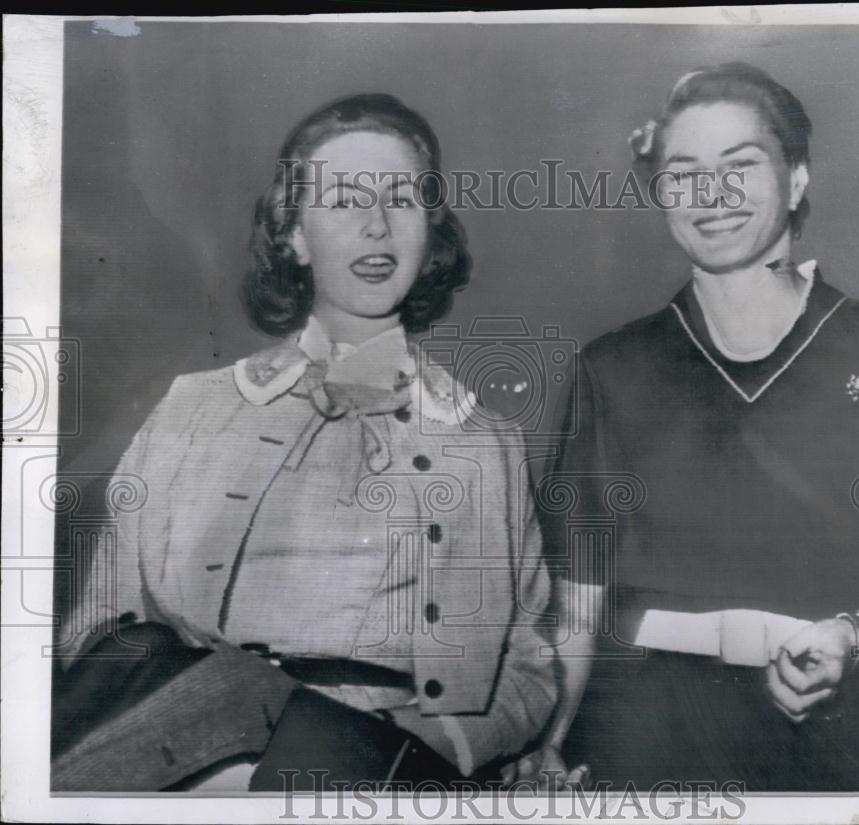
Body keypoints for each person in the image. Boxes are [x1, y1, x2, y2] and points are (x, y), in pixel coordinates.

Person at [51, 93, 555, 791]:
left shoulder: (485, 445)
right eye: (346, 199)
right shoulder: (191, 413)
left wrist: (429, 743)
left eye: (402, 198)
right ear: (293, 234)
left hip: (379, 769)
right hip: (188, 755)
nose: (377, 226)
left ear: (431, 232)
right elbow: (99, 629)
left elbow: (527, 669)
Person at [520, 62, 859, 791]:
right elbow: (577, 601)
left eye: (740, 164)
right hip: (645, 743)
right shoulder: (611, 370)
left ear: (796, 180)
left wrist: (858, 637)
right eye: (684, 171)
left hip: (845, 747)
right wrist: (545, 745)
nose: (711, 194)